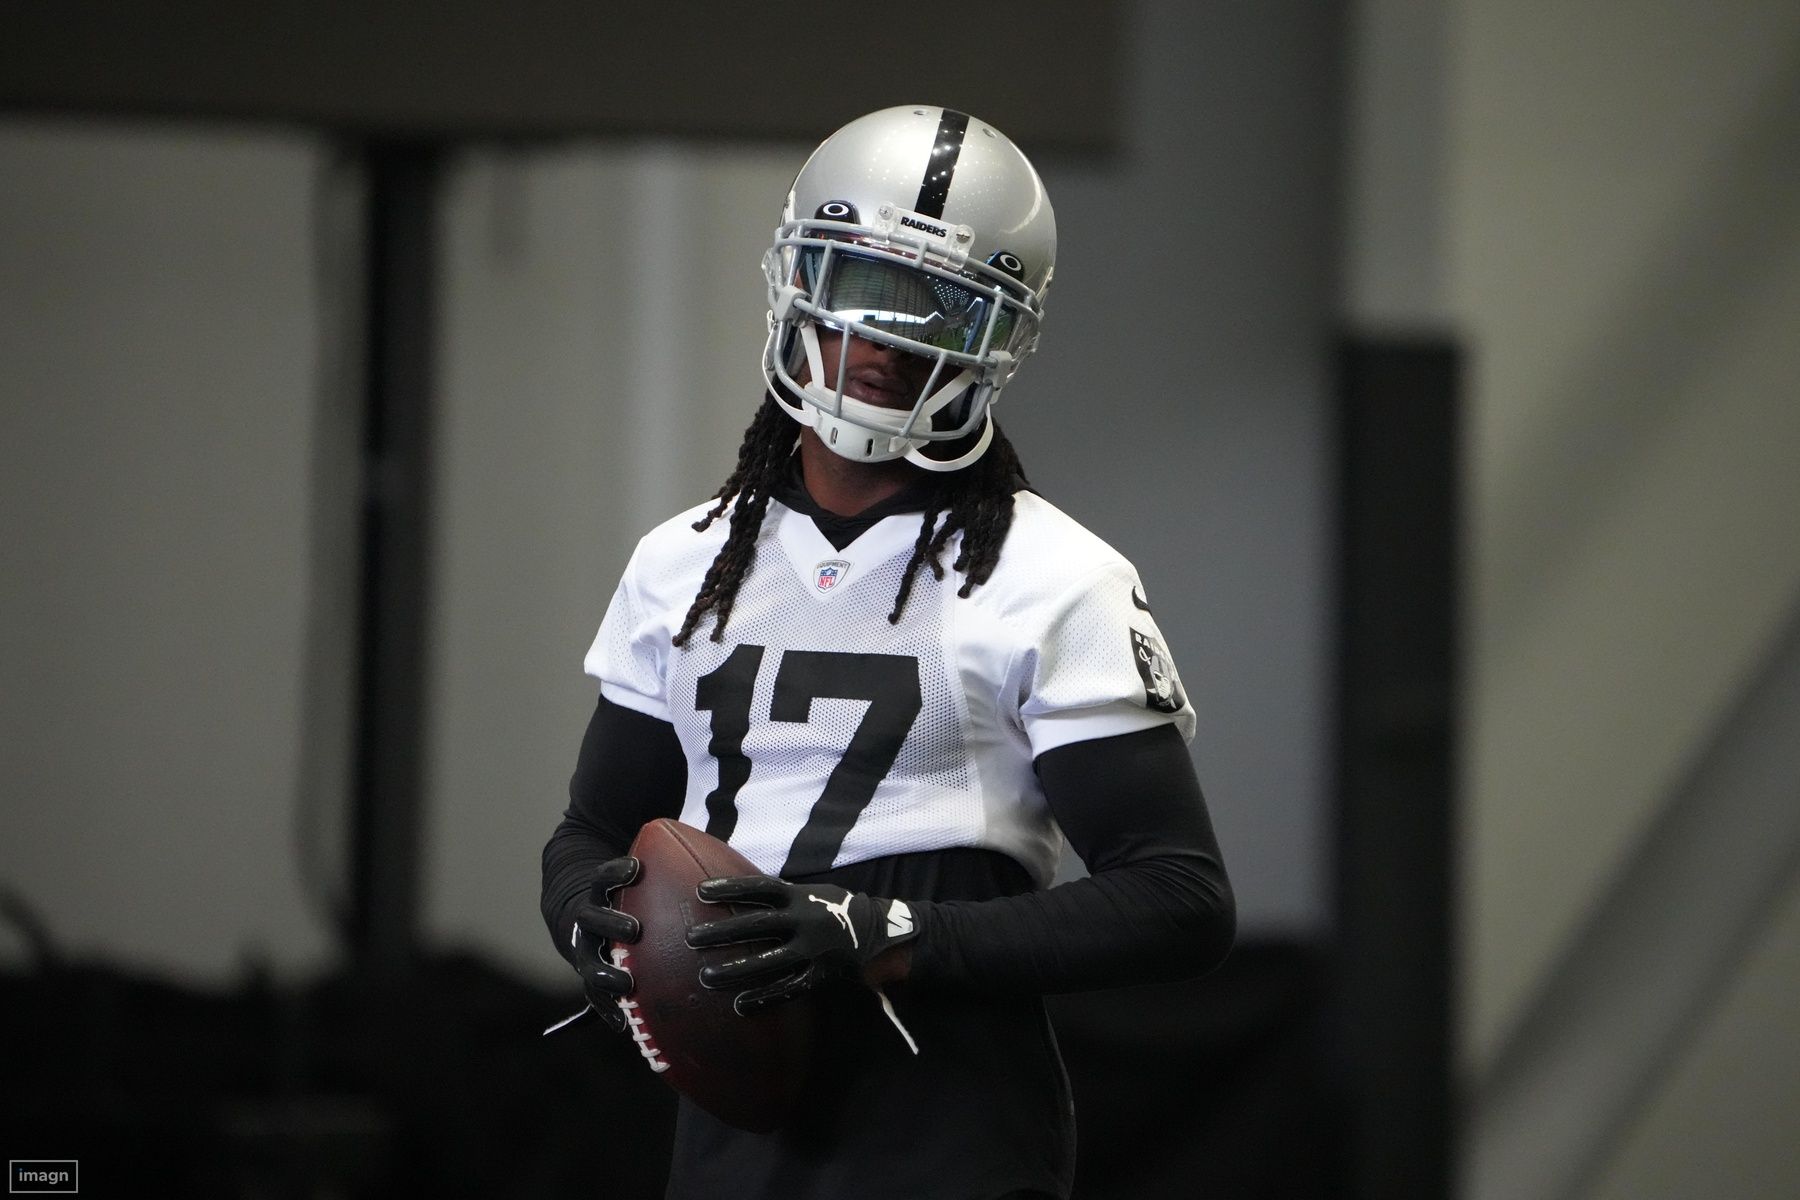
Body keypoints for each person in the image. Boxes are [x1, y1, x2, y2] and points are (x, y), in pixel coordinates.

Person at [541, 105, 1234, 1200]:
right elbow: (590, 830)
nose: (881, 333)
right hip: (735, 1120)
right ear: (795, 273)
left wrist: (892, 935)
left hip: (947, 1130)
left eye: (936, 302)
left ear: (997, 334)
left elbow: (1180, 896)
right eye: (855, 278)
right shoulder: (683, 560)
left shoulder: (1054, 574)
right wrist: (593, 912)